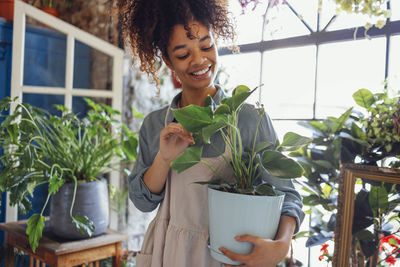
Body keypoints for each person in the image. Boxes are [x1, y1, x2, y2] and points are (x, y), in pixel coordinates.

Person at [118, 0, 304, 266]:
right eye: (183, 54)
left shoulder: (249, 117)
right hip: (168, 251)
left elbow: (288, 196)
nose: (200, 60)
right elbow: (143, 202)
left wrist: (281, 244)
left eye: (207, 46)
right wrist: (164, 158)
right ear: (169, 62)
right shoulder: (155, 123)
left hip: (229, 252)